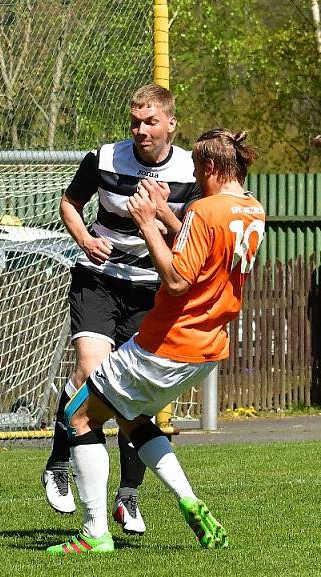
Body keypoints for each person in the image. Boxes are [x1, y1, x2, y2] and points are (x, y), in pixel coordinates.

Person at [47, 128, 265, 555]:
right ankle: (189, 501)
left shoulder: (205, 209)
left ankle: (94, 534)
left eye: (201, 172)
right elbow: (200, 243)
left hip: (167, 341)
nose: (197, 181)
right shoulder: (253, 209)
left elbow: (178, 278)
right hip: (207, 348)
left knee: (78, 414)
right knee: (130, 417)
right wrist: (166, 215)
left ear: (213, 167)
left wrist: (146, 222)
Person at [43, 83, 201, 535]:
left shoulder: (191, 170)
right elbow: (69, 203)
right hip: (99, 280)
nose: (141, 130)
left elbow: (190, 239)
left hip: (153, 288)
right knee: (91, 376)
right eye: (135, 122)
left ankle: (127, 498)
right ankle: (58, 463)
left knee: (133, 399)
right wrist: (85, 240)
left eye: (151, 122)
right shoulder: (106, 157)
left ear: (171, 123)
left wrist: (157, 214)